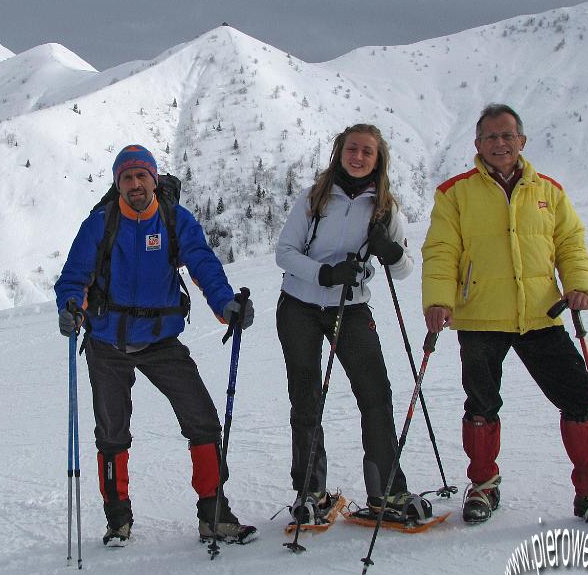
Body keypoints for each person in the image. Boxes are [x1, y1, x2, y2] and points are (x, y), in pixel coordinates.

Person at [422, 103, 588, 525]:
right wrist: (438, 300)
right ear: (477, 144)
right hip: (480, 317)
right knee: (481, 405)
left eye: (507, 136)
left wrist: (579, 285)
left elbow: (570, 243)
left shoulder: (549, 191)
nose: (500, 143)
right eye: (491, 136)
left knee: (579, 398)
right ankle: (483, 484)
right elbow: (441, 250)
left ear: (521, 141)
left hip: (542, 313)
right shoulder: (456, 192)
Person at [55, 144, 257, 546]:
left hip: (161, 340)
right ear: (117, 185)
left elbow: (203, 264)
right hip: (106, 340)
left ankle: (214, 513)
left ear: (154, 178)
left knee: (201, 419)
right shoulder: (100, 223)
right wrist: (72, 307)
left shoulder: (173, 219)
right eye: (126, 178)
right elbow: (73, 276)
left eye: (141, 176)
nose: (134, 184)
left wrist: (226, 304)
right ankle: (118, 520)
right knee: (112, 433)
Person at [275, 124, 432, 524]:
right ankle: (310, 491)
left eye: (367, 152)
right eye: (352, 149)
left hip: (352, 307)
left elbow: (404, 270)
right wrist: (325, 274)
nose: (358, 157)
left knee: (375, 395)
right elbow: (285, 252)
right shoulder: (315, 197)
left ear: (378, 160)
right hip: (300, 306)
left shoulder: (384, 207)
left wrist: (391, 250)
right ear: (339, 152)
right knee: (306, 398)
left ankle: (387, 492)